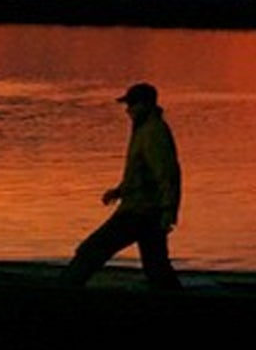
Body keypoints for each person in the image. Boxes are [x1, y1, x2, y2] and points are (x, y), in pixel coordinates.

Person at [62, 82, 182, 290]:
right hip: (145, 209)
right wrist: (119, 191)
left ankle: (65, 289)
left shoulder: (153, 133)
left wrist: (168, 211)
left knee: (92, 249)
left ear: (144, 105)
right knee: (156, 266)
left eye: (132, 105)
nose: (128, 110)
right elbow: (140, 174)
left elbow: (167, 175)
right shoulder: (144, 129)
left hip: (141, 211)